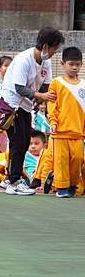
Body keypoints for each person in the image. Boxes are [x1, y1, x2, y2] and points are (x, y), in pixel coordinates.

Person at [0, 27, 63, 196]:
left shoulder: (46, 62)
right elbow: (19, 87)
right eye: (54, 49)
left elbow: (46, 85)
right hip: (11, 104)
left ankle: (9, 179)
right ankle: (13, 181)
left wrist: (48, 98)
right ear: (46, 46)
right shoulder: (23, 60)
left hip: (26, 106)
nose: (54, 53)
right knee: (18, 142)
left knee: (24, 141)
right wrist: (41, 95)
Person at [46, 47, 85, 198]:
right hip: (60, 131)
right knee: (61, 161)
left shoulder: (83, 84)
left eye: (78, 64)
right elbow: (51, 104)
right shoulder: (56, 83)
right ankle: (61, 187)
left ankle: (72, 184)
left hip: (77, 132)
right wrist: (53, 121)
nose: (75, 67)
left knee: (78, 160)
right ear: (63, 63)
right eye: (71, 64)